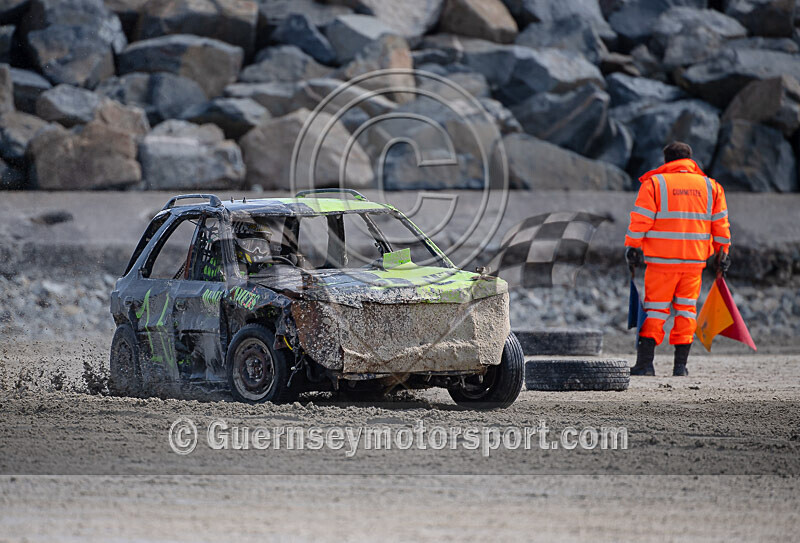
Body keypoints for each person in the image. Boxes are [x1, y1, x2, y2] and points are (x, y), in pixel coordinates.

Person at [625, 142, 731, 376]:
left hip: (662, 262)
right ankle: (680, 367)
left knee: (655, 310)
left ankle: (645, 365)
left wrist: (632, 247)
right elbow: (721, 225)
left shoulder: (655, 184)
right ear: (690, 160)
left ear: (666, 161)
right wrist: (722, 253)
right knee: (686, 311)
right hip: (694, 263)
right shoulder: (711, 187)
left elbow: (640, 220)